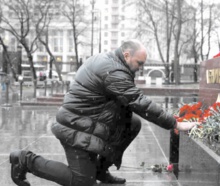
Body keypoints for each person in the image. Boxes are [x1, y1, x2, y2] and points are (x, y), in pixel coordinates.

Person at [9, 39, 197, 186]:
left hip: (89, 120)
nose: (140, 69)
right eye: (139, 63)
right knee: (82, 182)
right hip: (75, 126)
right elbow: (138, 101)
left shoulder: (112, 62)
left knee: (132, 124)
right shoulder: (113, 71)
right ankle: (25, 160)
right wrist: (174, 123)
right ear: (126, 55)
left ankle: (100, 170)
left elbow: (126, 104)